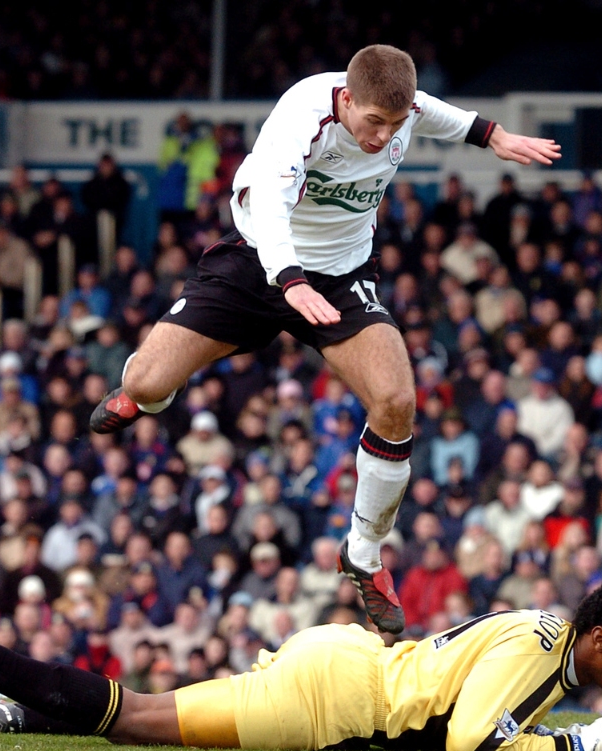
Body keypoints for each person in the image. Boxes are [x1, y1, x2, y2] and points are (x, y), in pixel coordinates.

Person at [88, 44, 560, 635]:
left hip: (340, 276)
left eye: (395, 123)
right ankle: (145, 396)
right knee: (146, 381)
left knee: (396, 403)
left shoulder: (400, 110)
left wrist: (489, 135)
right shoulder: (300, 117)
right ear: (346, 99)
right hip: (258, 260)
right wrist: (288, 280)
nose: (382, 136)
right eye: (373, 122)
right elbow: (270, 207)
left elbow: (433, 112)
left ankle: (362, 554)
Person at [0, 581, 602, 751]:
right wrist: (575, 748)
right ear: (598, 638)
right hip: (336, 700)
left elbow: (479, 713)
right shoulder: (543, 650)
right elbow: (471, 742)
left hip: (345, 661)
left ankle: (28, 714)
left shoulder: (545, 634)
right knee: (138, 721)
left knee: (156, 712)